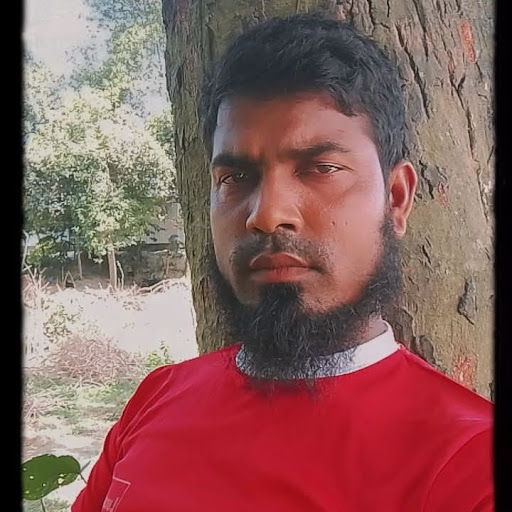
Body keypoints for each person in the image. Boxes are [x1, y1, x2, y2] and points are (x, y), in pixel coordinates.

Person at [72, 12, 493, 512]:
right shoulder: (156, 397)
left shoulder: (470, 464)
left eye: (321, 168)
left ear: (396, 199)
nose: (267, 214)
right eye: (235, 178)